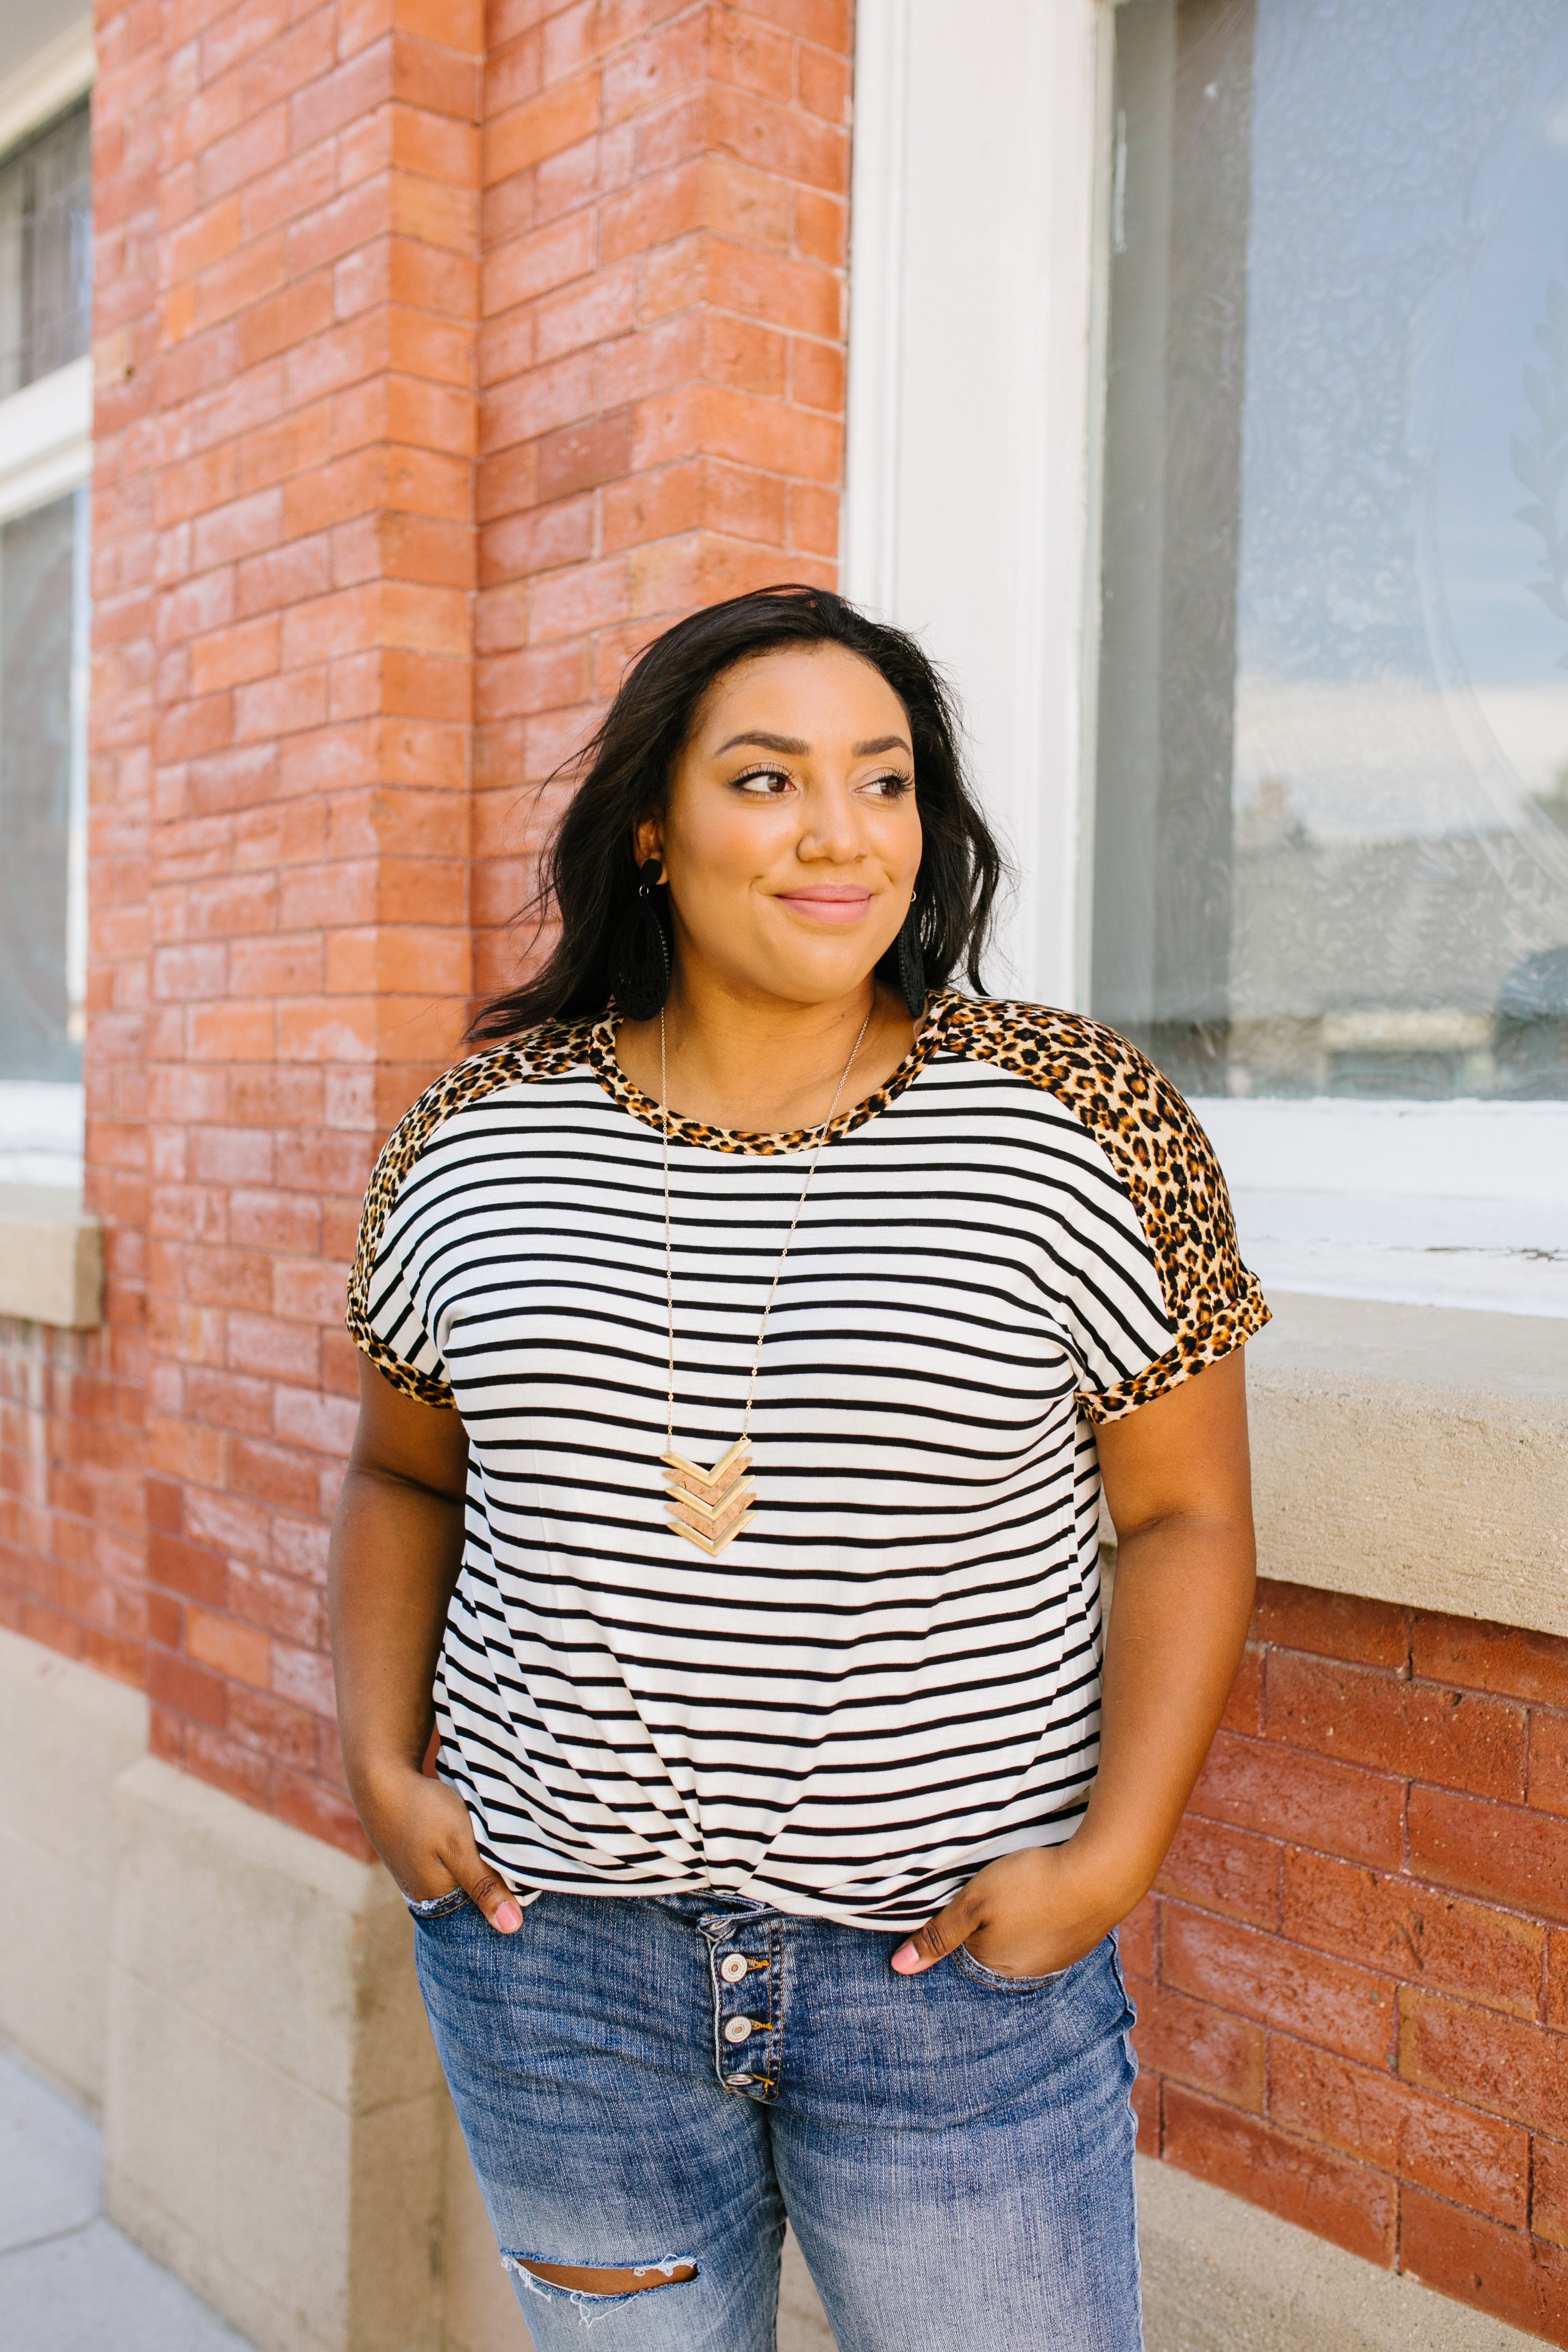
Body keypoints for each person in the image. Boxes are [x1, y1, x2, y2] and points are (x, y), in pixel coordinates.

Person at [328, 584, 1266, 2352]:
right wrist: (381, 1758)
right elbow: (404, 1479)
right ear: (652, 832)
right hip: (561, 1967)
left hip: (953, 1981)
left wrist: (1111, 1860)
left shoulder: (1076, 1117)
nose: (843, 833)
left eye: (885, 779)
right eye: (767, 780)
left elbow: (1184, 1514)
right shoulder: (473, 1135)